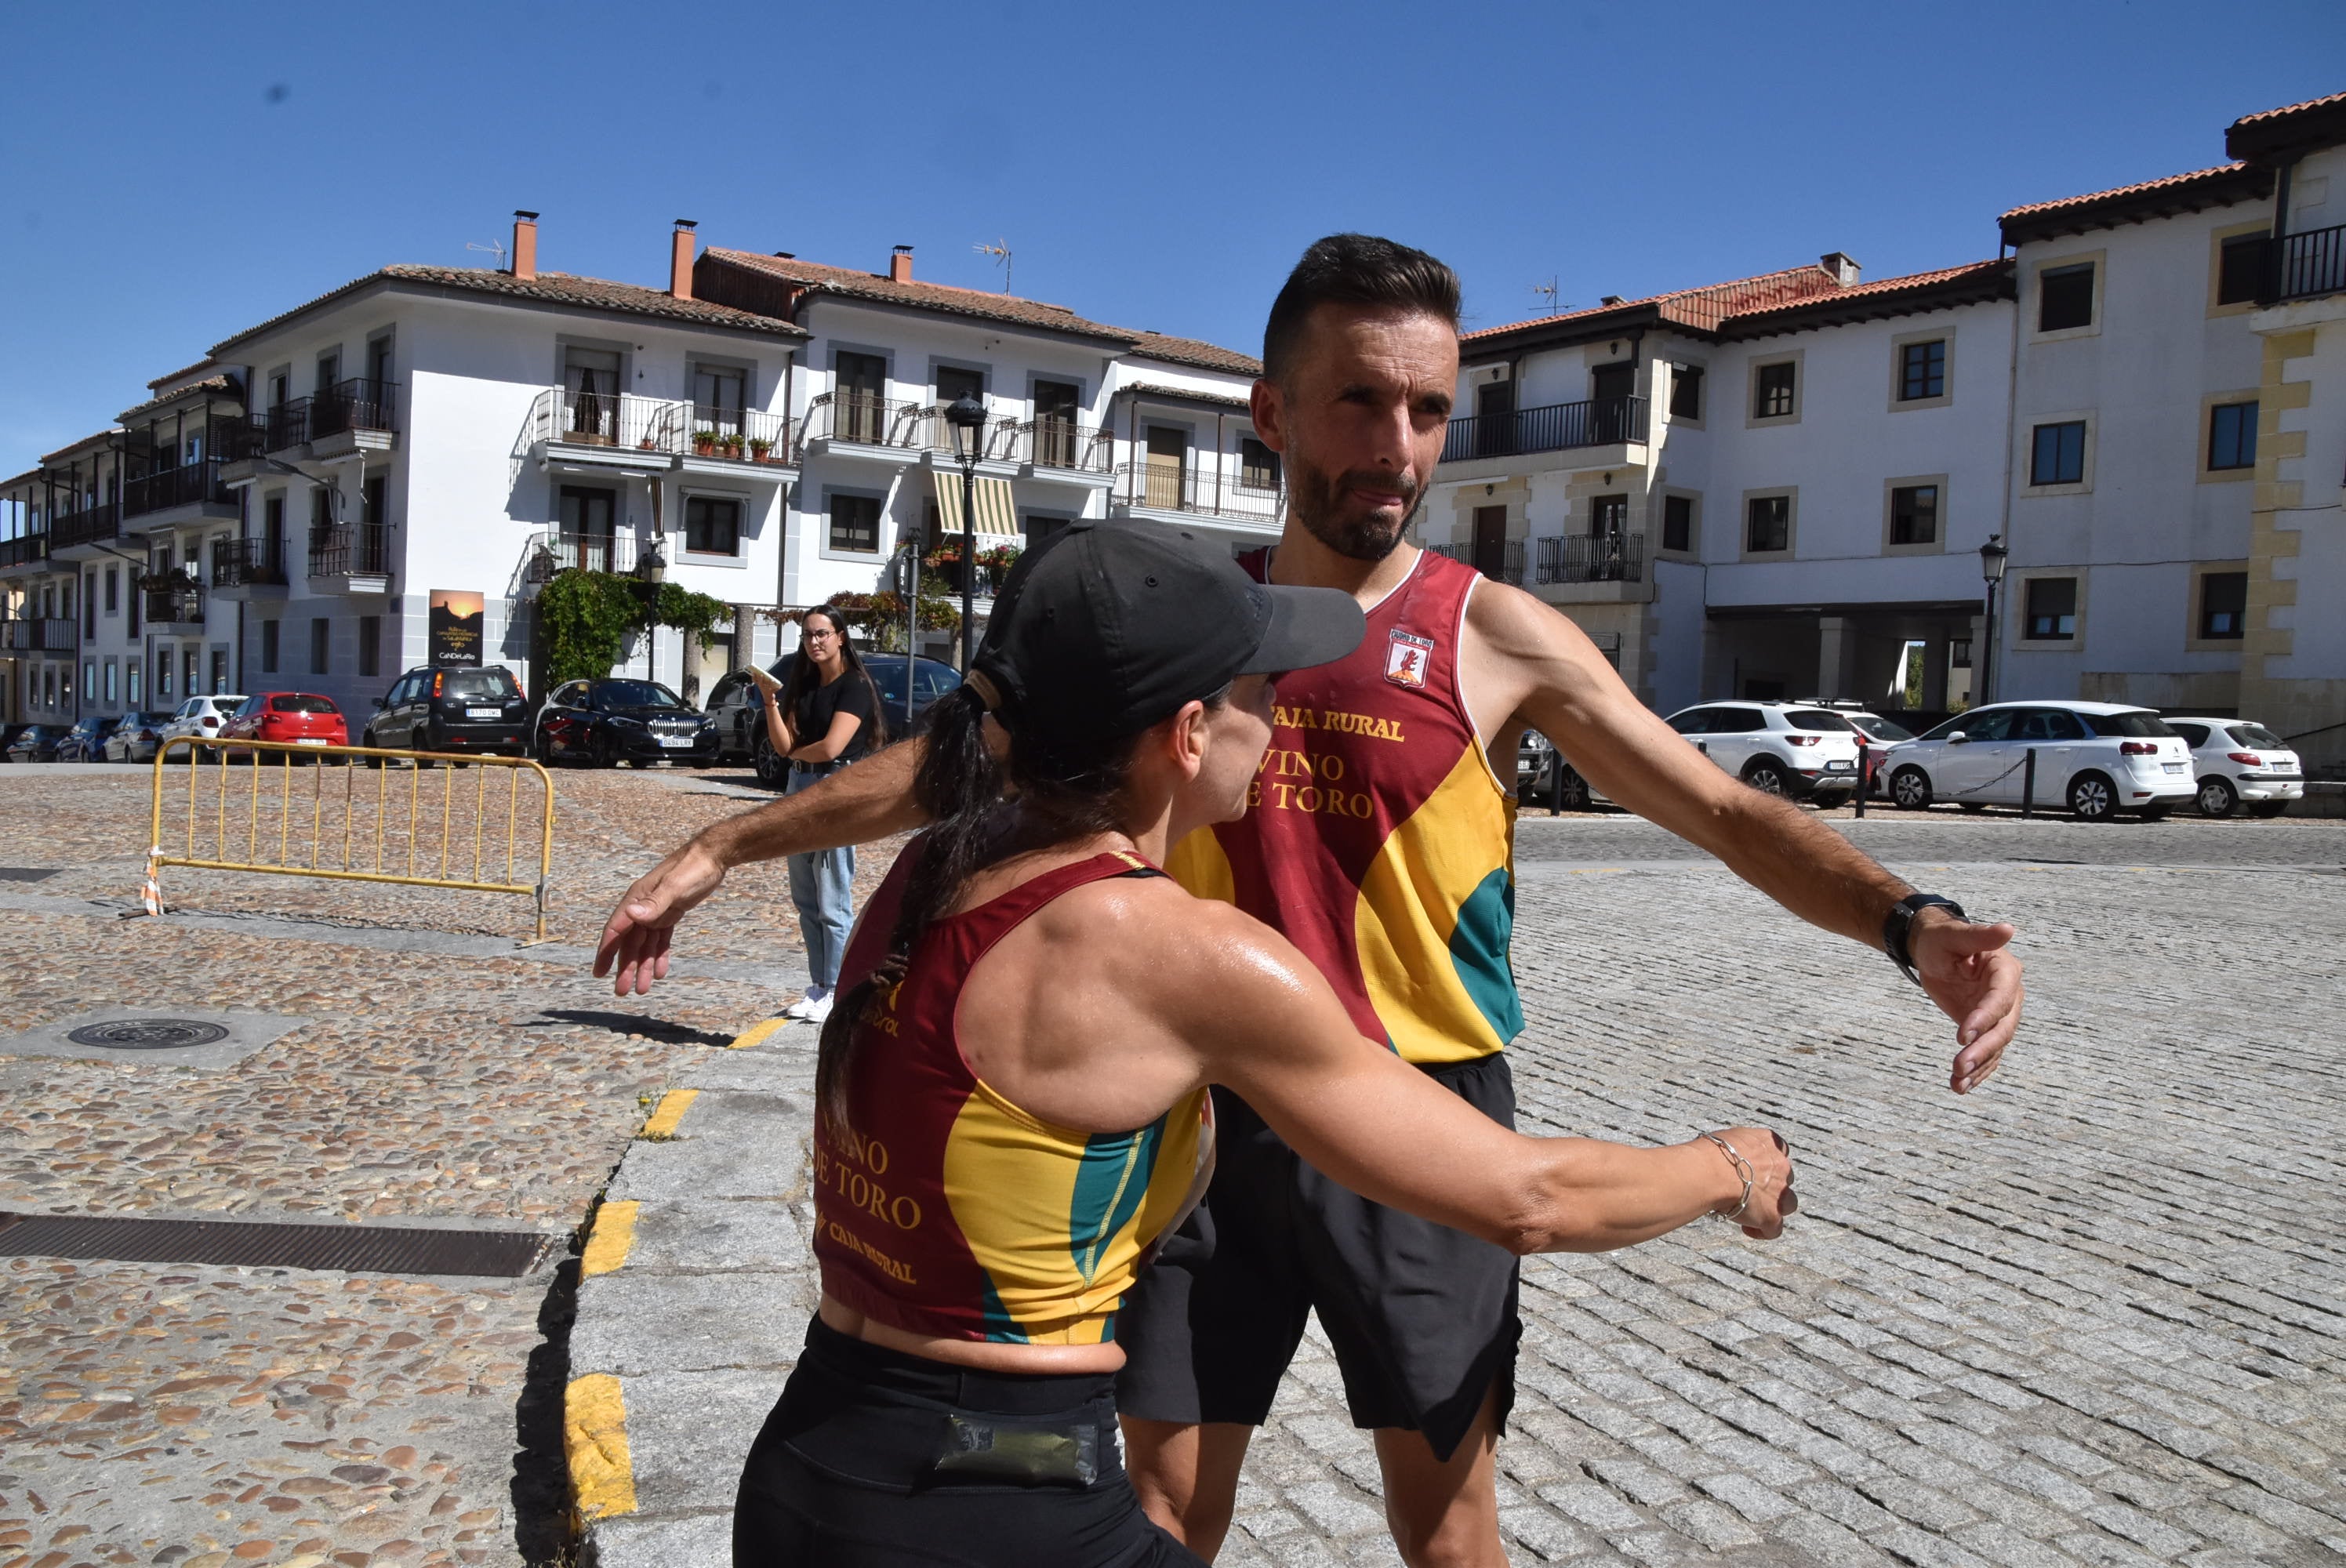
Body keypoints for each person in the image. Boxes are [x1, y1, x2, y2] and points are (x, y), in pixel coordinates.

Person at [597, 234, 2025, 1568]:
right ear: (1273, 413)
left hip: (1422, 1114)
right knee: (1157, 1503)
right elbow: (961, 760)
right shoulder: (1200, 627)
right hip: (1199, 1118)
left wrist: (1908, 925)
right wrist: (728, 847)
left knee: (1446, 1528)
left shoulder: (1493, 634)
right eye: (1358, 402)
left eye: (1424, 410)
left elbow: (1721, 808)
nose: (1395, 446)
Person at [728, 522, 1796, 1566]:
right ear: (1190, 734)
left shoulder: (933, 868)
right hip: (1002, 1500)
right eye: (1265, 695)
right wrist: (1731, 1165)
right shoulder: (1182, 953)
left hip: (811, 1462)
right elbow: (1531, 1201)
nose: (1281, 721)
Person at [752, 606, 885, 1022]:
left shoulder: (855, 687)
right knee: (806, 899)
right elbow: (781, 745)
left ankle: (838, 989)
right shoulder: (803, 684)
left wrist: (795, 752)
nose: (815, 642)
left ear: (841, 637)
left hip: (833, 788)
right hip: (798, 785)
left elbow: (831, 748)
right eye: (809, 635)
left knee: (833, 898)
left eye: (823, 634)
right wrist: (770, 702)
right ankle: (818, 986)